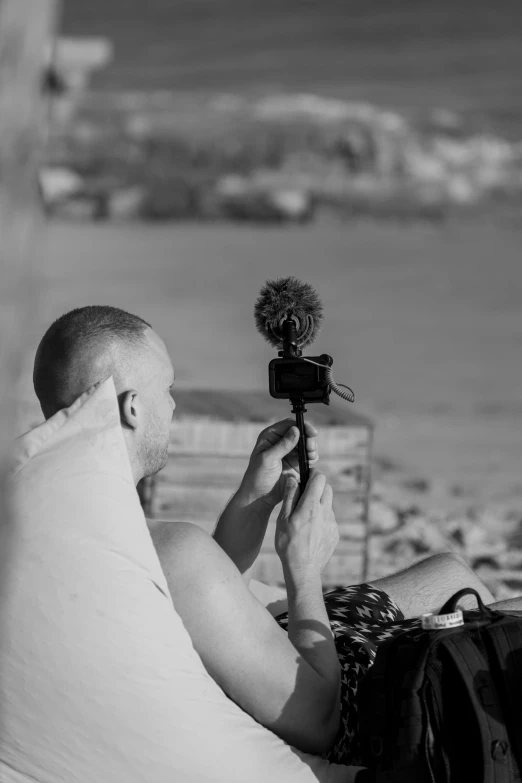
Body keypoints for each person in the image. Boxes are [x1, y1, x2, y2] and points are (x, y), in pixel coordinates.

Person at [32, 305, 522, 766]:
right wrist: (303, 567)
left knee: (449, 574)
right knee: (505, 626)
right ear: (133, 408)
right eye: (169, 388)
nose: (175, 404)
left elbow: (195, 598)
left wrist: (255, 495)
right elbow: (322, 719)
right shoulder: (171, 545)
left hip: (259, 649)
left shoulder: (62, 510)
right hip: (340, 698)